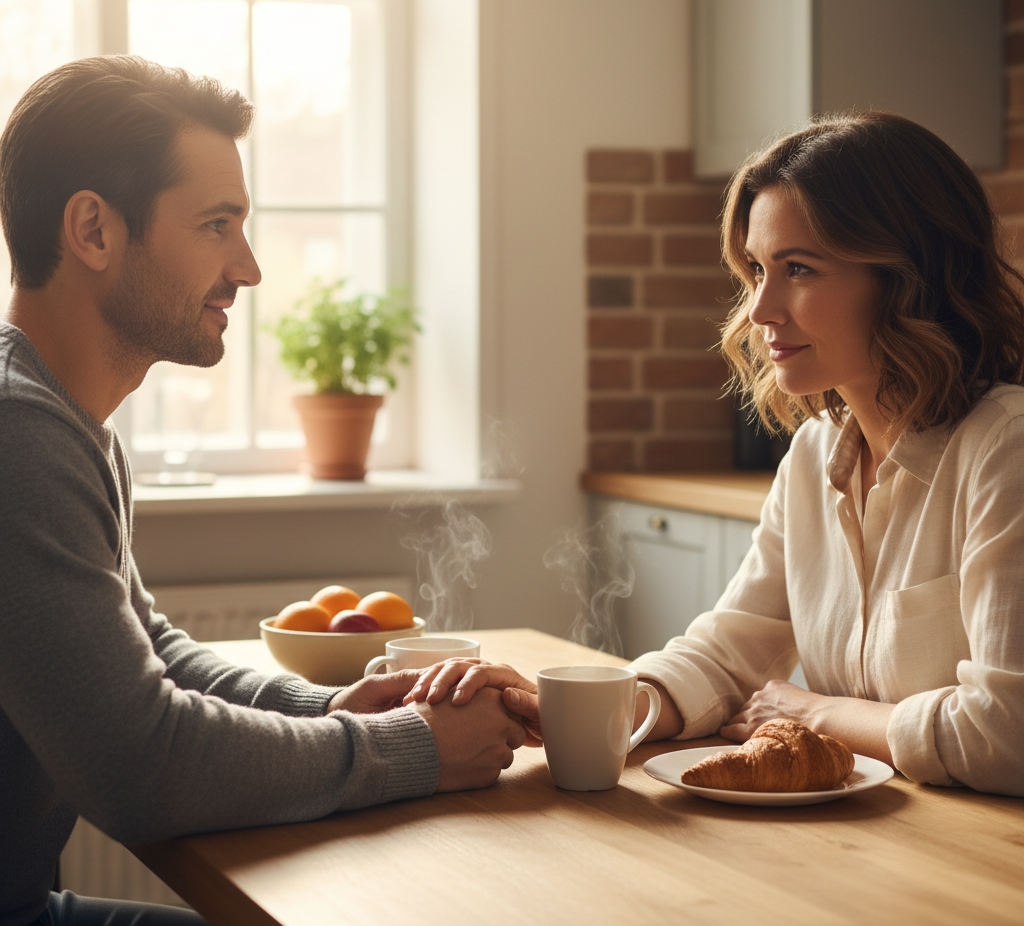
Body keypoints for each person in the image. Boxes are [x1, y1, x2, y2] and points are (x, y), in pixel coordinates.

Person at [0, 55, 529, 926]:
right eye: (216, 225)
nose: (247, 268)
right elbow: (143, 766)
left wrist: (331, 705)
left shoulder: (62, 419)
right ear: (93, 230)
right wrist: (414, 746)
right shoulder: (18, 435)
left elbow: (150, 650)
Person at [412, 111, 1024, 797]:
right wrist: (594, 710)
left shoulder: (1005, 449)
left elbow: (1010, 732)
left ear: (908, 277)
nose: (760, 309)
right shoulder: (815, 455)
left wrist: (819, 712)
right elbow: (730, 650)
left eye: (798, 269)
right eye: (757, 269)